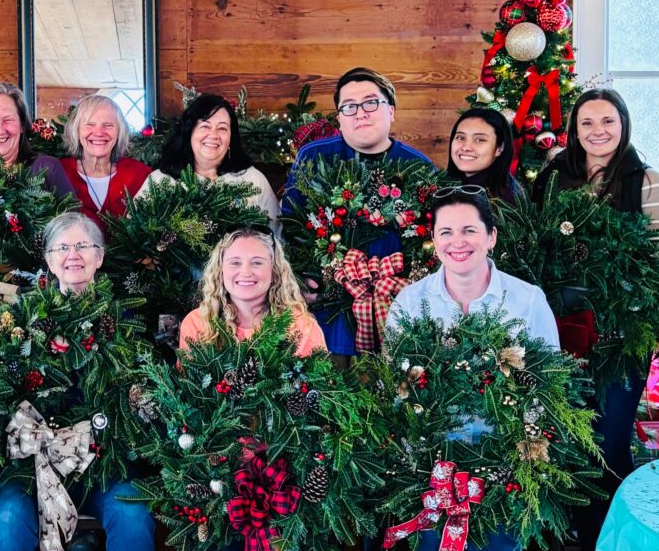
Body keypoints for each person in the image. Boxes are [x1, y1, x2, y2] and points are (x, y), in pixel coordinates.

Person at [384, 185, 561, 551]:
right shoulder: (410, 302)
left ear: (490, 237)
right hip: (431, 450)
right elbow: (397, 386)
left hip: (502, 447)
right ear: (432, 241)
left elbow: (547, 383)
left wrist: (522, 447)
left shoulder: (526, 299)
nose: (457, 242)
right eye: (445, 232)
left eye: (468, 230)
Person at [0, 210, 163, 551]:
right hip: (35, 459)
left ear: (100, 258)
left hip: (104, 457)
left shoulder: (126, 318)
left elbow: (142, 392)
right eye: (62, 248)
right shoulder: (22, 320)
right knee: (6, 523)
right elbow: (2, 392)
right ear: (46, 261)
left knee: (133, 518)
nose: (73, 256)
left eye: (83, 247)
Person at [179, 230, 341, 551]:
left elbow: (318, 403)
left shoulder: (299, 326)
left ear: (274, 272)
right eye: (235, 263)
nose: (245, 273)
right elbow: (191, 403)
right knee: (202, 530)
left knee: (274, 525)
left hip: (284, 460)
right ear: (220, 271)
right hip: (221, 462)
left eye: (256, 263)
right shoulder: (198, 325)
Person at [532, 86, 659, 551]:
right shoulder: (552, 180)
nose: (598, 131)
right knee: (569, 444)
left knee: (610, 447)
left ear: (623, 125)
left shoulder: (645, 181)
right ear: (574, 129)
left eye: (608, 121)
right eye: (587, 122)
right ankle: (569, 550)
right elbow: (535, 249)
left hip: (619, 339)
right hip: (562, 337)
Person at [281, 67, 435, 355]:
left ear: (391, 110)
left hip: (397, 298)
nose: (360, 113)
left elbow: (432, 237)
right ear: (339, 117)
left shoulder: (418, 166)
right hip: (327, 298)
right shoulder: (313, 158)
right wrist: (299, 278)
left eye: (370, 102)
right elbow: (290, 225)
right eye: (349, 106)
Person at [140, 91, 279, 224]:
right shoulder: (158, 182)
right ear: (190, 132)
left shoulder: (253, 180)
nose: (213, 135)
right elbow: (132, 237)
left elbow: (277, 239)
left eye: (222, 128)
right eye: (205, 126)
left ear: (231, 138)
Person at [0, 81, 75, 198]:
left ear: (22, 125)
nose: (0, 130)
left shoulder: (47, 168)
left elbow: (74, 216)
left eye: (8, 120)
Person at [58, 94, 151, 225]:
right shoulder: (59, 172)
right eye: (90, 124)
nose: (99, 132)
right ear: (77, 131)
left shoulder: (138, 173)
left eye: (108, 125)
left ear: (119, 132)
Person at [445, 106, 521, 203]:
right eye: (460, 137)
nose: (466, 147)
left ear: (499, 148)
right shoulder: (443, 186)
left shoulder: (505, 202)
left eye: (480, 140)